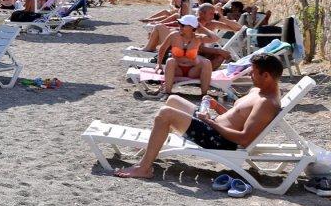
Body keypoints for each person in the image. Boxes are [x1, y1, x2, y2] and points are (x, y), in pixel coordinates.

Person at [115, 54, 284, 179]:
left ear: (266, 76)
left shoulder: (266, 103)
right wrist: (217, 106)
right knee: (173, 100)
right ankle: (154, 146)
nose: (249, 75)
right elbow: (237, 116)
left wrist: (210, 122)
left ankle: (144, 168)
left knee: (165, 114)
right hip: (214, 127)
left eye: (253, 72)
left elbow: (244, 139)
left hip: (219, 140)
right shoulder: (258, 91)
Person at [155, 14, 212, 96]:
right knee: (170, 61)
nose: (180, 26)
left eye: (183, 25)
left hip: (192, 71)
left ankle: (204, 95)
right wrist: (158, 64)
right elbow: (162, 48)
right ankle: (167, 93)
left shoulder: (198, 38)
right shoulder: (174, 35)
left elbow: (215, 38)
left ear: (192, 27)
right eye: (179, 24)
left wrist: (202, 28)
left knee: (207, 62)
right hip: (177, 69)